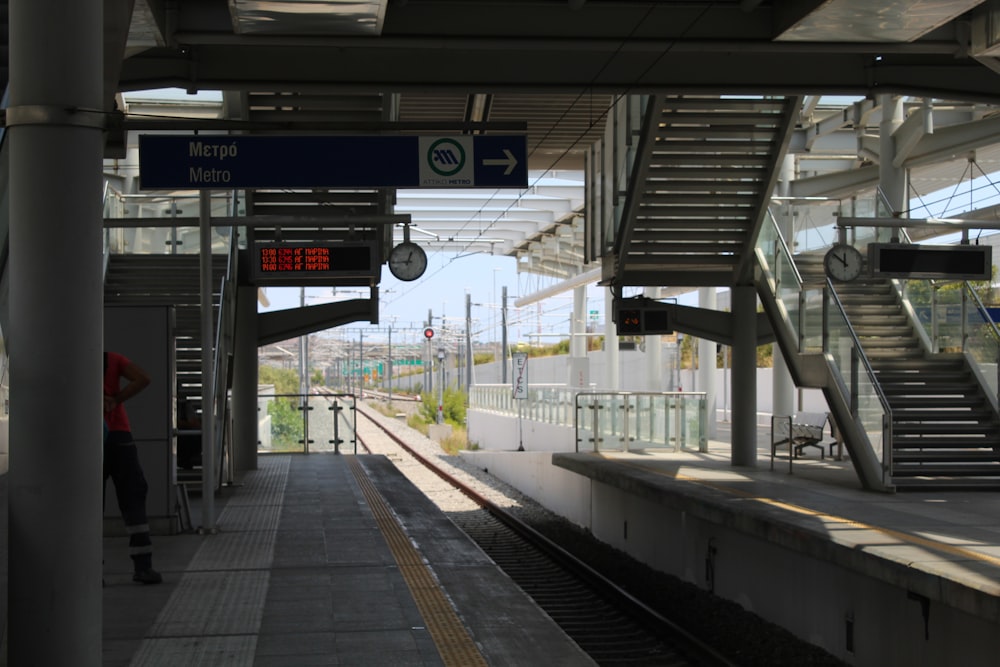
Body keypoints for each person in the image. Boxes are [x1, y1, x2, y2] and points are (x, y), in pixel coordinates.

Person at [103, 350, 162, 585]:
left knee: (89, 504)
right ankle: (143, 567)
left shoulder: (73, 362)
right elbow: (143, 378)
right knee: (133, 497)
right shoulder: (112, 359)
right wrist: (115, 399)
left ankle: (90, 571)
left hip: (88, 436)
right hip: (119, 435)